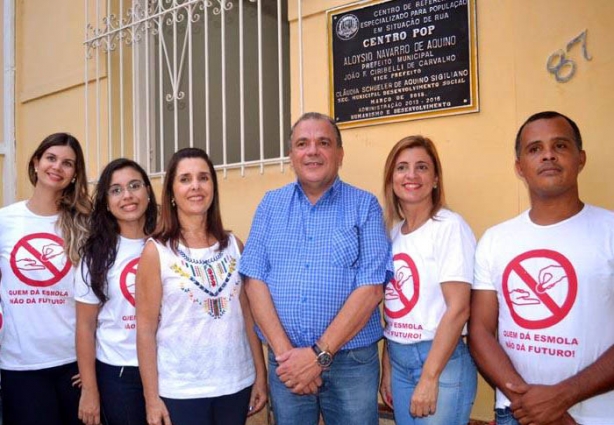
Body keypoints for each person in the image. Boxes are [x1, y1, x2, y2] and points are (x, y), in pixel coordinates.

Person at [239, 112, 391, 425]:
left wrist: (318, 355)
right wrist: (289, 358)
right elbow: (254, 281)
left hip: (351, 362)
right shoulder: (270, 205)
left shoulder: (365, 206)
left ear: (340, 153)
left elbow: (372, 288)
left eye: (324, 143)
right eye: (302, 143)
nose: (312, 151)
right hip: (286, 361)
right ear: (291, 155)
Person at [469, 111, 614, 425]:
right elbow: (480, 331)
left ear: (581, 158)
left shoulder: (610, 231)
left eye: (560, 145)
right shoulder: (495, 240)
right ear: (520, 167)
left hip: (598, 415)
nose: (548, 154)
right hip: (516, 413)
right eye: (534, 148)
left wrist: (563, 396)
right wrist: (529, 402)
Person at [136, 147, 267, 425]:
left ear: (213, 188)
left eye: (203, 178)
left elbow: (247, 315)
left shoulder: (234, 246)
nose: (195, 186)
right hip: (182, 390)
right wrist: (151, 398)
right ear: (171, 191)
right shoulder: (156, 252)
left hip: (236, 383)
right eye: (185, 179)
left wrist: (259, 375)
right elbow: (145, 329)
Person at [379, 136, 477, 425]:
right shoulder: (393, 234)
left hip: (438, 361)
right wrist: (388, 366)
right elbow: (395, 308)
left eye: (421, 167)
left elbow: (459, 308)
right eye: (402, 168)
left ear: (435, 179)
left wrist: (429, 378)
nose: (411, 175)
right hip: (399, 359)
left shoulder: (448, 227)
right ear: (391, 179)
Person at [0, 132, 91, 425]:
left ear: (75, 174)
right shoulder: (5, 221)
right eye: (51, 158)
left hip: (72, 366)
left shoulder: (83, 224)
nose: (57, 167)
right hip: (20, 364)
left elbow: (95, 298)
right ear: (36, 163)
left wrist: (90, 366)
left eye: (68, 163)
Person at [75, 158, 158, 425]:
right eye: (116, 190)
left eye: (134, 186)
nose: (127, 196)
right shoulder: (96, 255)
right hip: (119, 374)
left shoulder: (168, 242)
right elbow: (85, 326)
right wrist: (90, 390)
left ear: (147, 191)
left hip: (170, 367)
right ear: (107, 202)